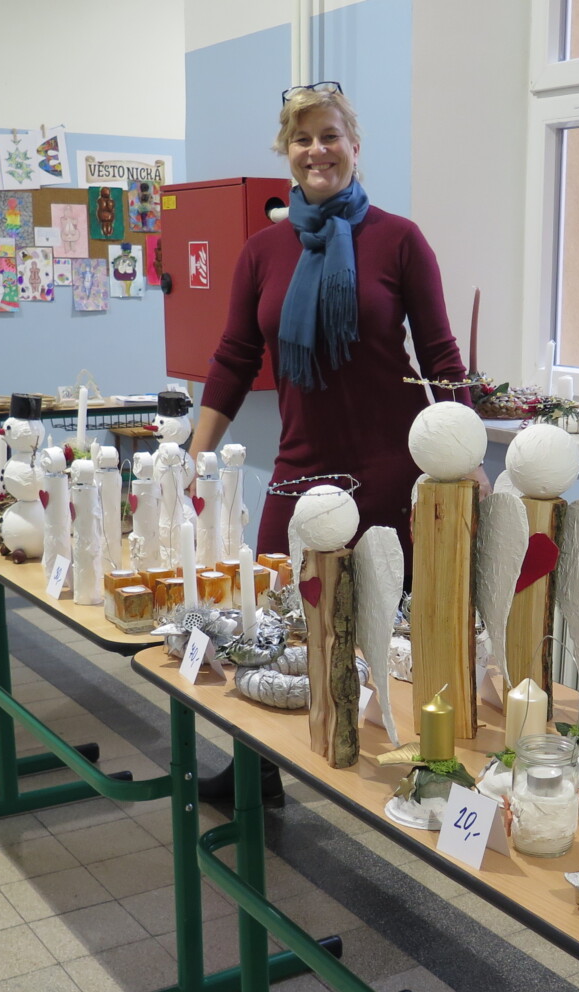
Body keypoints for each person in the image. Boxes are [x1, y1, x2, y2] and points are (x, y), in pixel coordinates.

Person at [190, 82, 479, 805]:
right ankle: (258, 773)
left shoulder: (400, 239)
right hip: (300, 470)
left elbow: (441, 356)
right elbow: (233, 358)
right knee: (271, 623)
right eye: (302, 138)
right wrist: (196, 454)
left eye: (329, 136)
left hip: (391, 470)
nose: (316, 150)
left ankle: (415, 775)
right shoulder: (262, 252)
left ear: (354, 144)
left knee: (399, 636)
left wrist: (468, 457)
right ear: (286, 152)